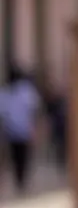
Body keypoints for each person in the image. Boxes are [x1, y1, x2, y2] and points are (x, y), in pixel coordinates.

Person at [0, 64, 41, 194]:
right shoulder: (26, 91)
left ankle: (19, 178)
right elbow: (35, 110)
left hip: (13, 131)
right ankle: (21, 179)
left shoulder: (6, 92)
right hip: (22, 130)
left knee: (16, 156)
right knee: (22, 156)